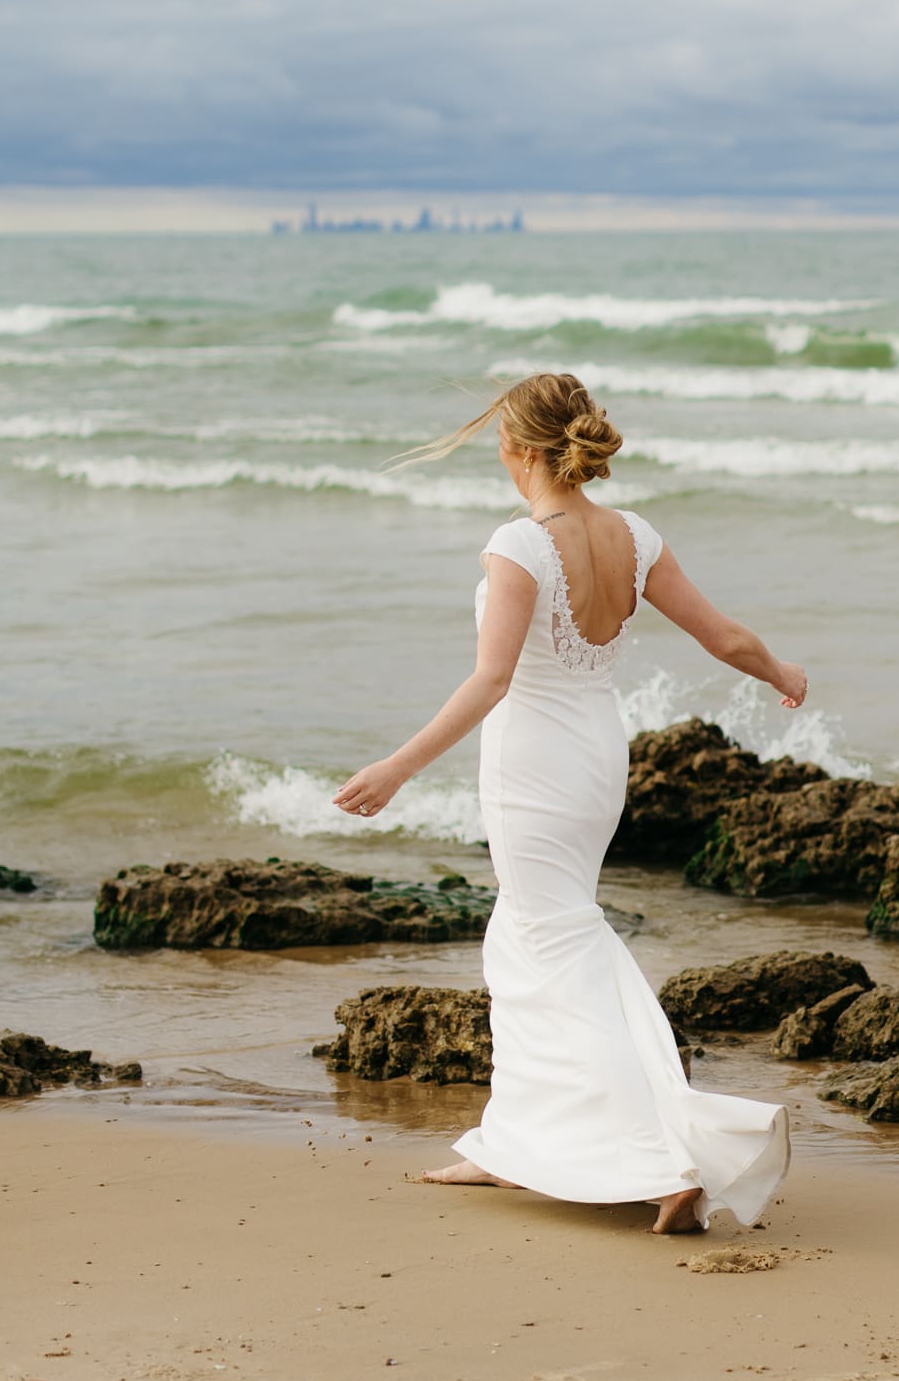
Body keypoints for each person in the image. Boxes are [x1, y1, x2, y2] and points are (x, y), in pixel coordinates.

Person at [333, 372, 807, 1234]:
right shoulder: (636, 535)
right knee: (530, 936)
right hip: (596, 758)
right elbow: (722, 636)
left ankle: (664, 1157)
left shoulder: (518, 544)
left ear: (519, 450)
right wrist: (779, 672)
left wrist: (396, 768)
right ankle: (508, 1145)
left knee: (544, 939)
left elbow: (493, 678)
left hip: (533, 764)